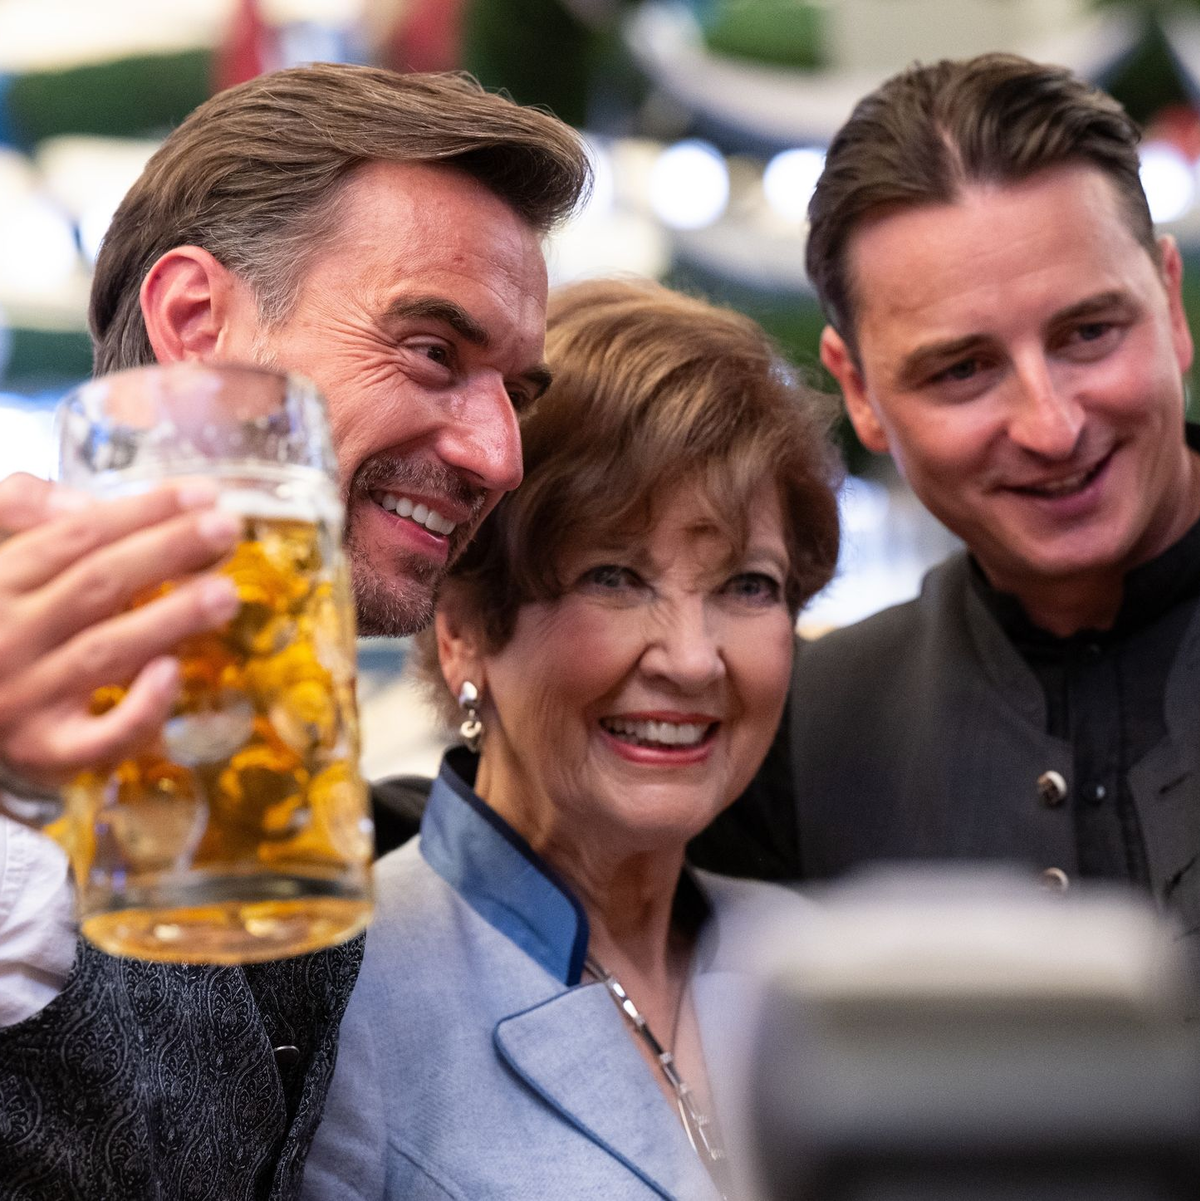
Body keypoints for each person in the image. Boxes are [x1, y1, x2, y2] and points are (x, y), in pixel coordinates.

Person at [0, 63, 589, 1199]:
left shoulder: (281, 751)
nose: (499, 453)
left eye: (516, 389)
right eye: (432, 351)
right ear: (194, 320)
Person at [298, 277, 841, 1200]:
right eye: (615, 577)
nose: (694, 658)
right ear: (462, 624)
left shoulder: (824, 962)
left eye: (747, 585)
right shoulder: (342, 991)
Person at [690, 54, 1200, 944]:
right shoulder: (802, 737)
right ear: (859, 393)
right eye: (962, 370)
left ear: (1172, 306)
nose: (1051, 425)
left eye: (1089, 332)